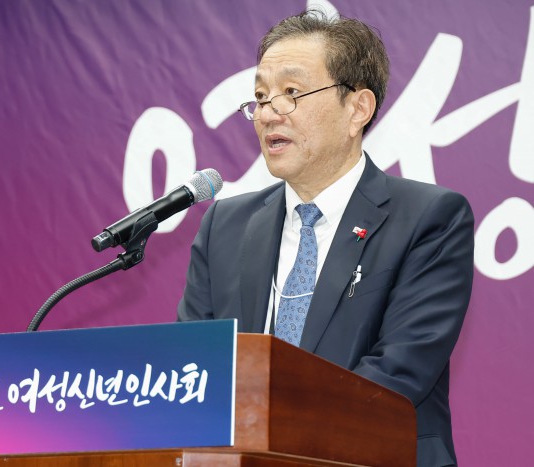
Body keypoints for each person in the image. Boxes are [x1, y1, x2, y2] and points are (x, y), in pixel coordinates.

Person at [177, 10, 474, 467]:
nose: (268, 113)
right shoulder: (226, 225)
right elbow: (194, 371)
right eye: (261, 96)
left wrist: (276, 435)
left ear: (358, 109)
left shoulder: (428, 218)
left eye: (291, 93)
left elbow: (397, 373)